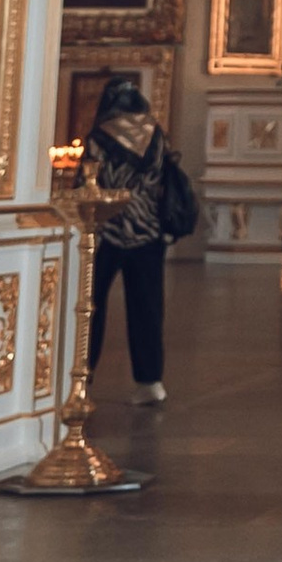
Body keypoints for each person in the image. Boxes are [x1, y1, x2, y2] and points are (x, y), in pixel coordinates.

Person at [83, 74, 196, 404]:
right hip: (148, 233)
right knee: (147, 307)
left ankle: (82, 376)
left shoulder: (99, 138)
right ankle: (150, 381)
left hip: (107, 232)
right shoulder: (155, 134)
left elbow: (89, 183)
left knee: (91, 307)